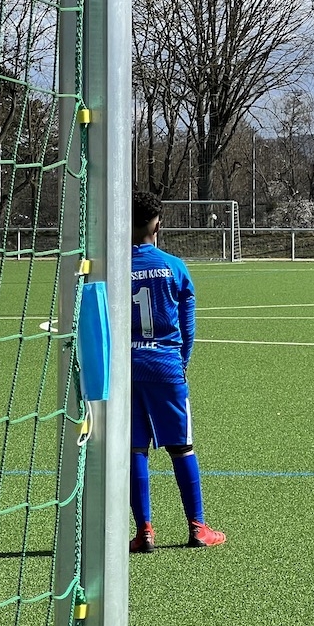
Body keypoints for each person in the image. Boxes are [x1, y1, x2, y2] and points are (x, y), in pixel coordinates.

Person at [129, 191, 226, 553]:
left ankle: (144, 532)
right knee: (182, 447)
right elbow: (188, 327)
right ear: (157, 225)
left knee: (135, 449)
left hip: (128, 368)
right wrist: (180, 363)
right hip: (166, 367)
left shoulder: (114, 267)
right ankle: (198, 528)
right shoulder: (174, 266)